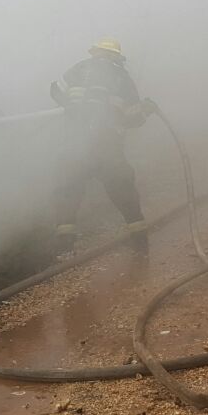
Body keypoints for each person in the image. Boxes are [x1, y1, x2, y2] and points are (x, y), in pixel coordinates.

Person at [50, 39, 156, 255]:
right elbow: (131, 119)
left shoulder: (78, 69)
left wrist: (69, 105)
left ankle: (65, 251)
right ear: (114, 56)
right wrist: (147, 108)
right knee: (123, 190)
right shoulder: (121, 77)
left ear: (96, 53)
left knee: (69, 192)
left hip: (75, 145)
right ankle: (140, 244)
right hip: (106, 146)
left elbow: (55, 90)